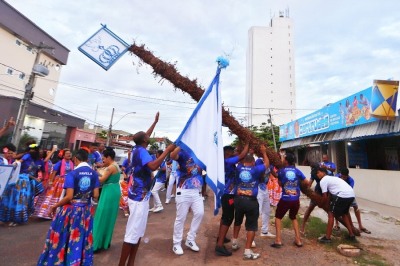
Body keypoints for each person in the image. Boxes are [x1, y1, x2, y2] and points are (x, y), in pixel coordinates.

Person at [118, 112, 175, 266]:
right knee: (132, 234)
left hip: (140, 196)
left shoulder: (137, 147)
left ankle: (131, 263)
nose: (148, 135)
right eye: (146, 136)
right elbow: (153, 166)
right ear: (144, 140)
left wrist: (155, 122)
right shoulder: (142, 151)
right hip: (138, 198)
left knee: (138, 234)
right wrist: (167, 150)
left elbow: (146, 134)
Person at [37, 149, 100, 265]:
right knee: (81, 238)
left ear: (76, 159)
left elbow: (69, 196)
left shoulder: (72, 173)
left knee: (63, 237)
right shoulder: (94, 173)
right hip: (85, 211)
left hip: (71, 211)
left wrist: (54, 206)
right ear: (87, 159)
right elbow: (96, 195)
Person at [231, 145, 269, 260]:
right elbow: (266, 164)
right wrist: (264, 152)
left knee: (237, 220)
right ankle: (247, 251)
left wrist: (249, 152)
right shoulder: (255, 169)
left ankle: (234, 242)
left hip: (238, 200)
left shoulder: (238, 168)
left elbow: (242, 160)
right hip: (251, 202)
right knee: (251, 226)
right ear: (253, 162)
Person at [215, 143, 249, 256]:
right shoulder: (227, 161)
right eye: (231, 151)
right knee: (228, 217)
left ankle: (221, 237)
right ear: (226, 153)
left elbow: (239, 155)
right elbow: (241, 155)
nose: (233, 152)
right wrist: (247, 144)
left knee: (225, 216)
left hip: (227, 193)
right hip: (228, 194)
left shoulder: (227, 161)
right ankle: (219, 246)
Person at [170, 146, 205, 256]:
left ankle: (190, 239)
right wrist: (181, 145)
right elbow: (172, 156)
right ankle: (176, 243)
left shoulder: (201, 153)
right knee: (181, 218)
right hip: (184, 190)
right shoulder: (183, 152)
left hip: (196, 191)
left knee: (200, 213)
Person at [271, 152, 305, 249]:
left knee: (278, 217)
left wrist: (270, 169)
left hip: (285, 198)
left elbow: (280, 182)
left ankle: (278, 240)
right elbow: (306, 182)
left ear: (286, 161)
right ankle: (298, 240)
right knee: (293, 217)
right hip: (296, 199)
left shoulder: (282, 171)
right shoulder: (297, 171)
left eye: (284, 158)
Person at [316, 167, 356, 243]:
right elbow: (330, 195)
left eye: (318, 172)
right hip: (351, 195)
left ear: (324, 172)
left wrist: (321, 204)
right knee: (344, 214)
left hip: (342, 195)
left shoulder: (323, 180)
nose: (317, 175)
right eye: (317, 173)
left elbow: (325, 196)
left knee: (331, 214)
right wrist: (328, 204)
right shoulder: (332, 178)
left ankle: (327, 238)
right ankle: (352, 235)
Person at [93, 147, 122, 251]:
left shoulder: (110, 168)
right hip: (114, 190)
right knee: (109, 217)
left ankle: (96, 244)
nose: (102, 160)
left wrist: (94, 174)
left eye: (103, 158)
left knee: (101, 216)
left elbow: (101, 180)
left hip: (109, 192)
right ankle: (105, 242)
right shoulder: (115, 165)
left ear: (109, 157)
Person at [33, 149, 74, 219]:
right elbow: (54, 172)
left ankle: (61, 212)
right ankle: (48, 213)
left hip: (68, 181)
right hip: (59, 182)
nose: (69, 155)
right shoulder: (60, 163)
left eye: (70, 153)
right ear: (63, 155)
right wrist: (51, 182)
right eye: (67, 153)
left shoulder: (71, 163)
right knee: (55, 197)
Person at [333, 168, 371, 234]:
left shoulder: (351, 180)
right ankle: (336, 223)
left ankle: (360, 225)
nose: (343, 178)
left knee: (356, 207)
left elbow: (349, 189)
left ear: (347, 176)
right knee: (337, 208)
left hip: (348, 194)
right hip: (338, 194)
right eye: (342, 176)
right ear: (340, 174)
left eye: (345, 177)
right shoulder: (336, 177)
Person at [300, 162, 321, 234]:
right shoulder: (325, 171)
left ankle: (302, 227)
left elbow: (309, 184)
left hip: (319, 192)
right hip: (322, 192)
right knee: (331, 211)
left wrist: (304, 186)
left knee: (310, 208)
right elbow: (310, 184)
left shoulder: (314, 172)